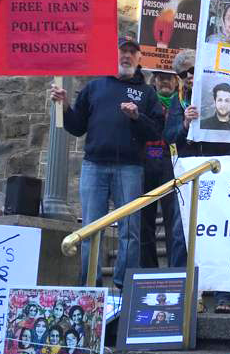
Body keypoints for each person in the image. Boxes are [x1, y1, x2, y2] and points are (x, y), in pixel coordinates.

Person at [50, 36, 165, 291]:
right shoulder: (95, 87)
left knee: (130, 231)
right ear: (114, 55)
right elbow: (77, 127)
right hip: (94, 166)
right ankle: (89, 286)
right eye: (122, 51)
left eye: (131, 53)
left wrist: (137, 117)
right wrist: (66, 106)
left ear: (138, 59)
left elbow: (156, 132)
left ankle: (125, 286)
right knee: (91, 229)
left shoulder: (147, 93)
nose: (126, 56)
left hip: (131, 169)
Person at [166, 49, 230, 313]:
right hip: (187, 173)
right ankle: (180, 293)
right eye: (184, 73)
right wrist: (184, 125)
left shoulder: (218, 96)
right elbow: (168, 137)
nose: (189, 77)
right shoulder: (178, 103)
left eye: (193, 70)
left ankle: (224, 296)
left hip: (218, 171)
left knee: (221, 232)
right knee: (180, 234)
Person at [140, 69, 187, 268]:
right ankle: (148, 269)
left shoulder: (182, 101)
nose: (165, 82)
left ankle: (172, 270)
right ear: (154, 80)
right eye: (161, 78)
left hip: (172, 163)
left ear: (176, 82)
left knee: (172, 218)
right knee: (145, 219)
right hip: (147, 161)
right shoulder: (147, 99)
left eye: (169, 78)